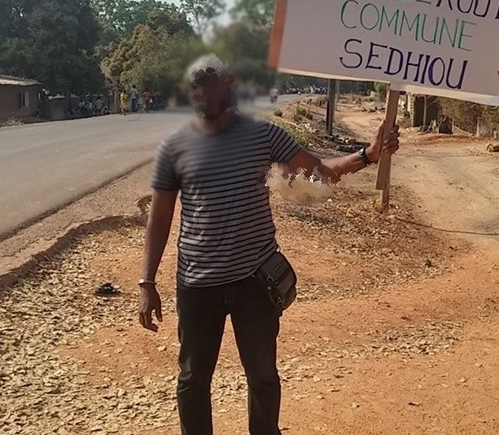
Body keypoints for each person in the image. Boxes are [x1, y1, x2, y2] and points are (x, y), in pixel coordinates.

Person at [138, 54, 399, 435]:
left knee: (262, 376)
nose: (205, 106)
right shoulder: (174, 147)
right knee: (193, 379)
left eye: (212, 98)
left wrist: (368, 155)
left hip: (254, 283)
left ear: (231, 91)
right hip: (197, 285)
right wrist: (147, 282)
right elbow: (159, 218)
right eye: (198, 98)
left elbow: (320, 174)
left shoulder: (264, 136)